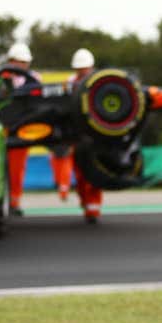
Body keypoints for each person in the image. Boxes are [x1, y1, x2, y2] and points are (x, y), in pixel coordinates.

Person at [63, 47, 102, 224]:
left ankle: (94, 208)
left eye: (85, 68)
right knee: (79, 174)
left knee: (95, 171)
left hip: (95, 136)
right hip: (76, 135)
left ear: (91, 67)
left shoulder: (100, 82)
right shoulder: (69, 83)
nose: (82, 71)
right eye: (79, 69)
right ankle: (86, 204)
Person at [2, 42, 40, 216]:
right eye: (19, 61)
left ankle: (14, 202)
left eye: (25, 62)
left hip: (21, 131)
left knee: (17, 169)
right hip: (1, 131)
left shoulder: (35, 79)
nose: (23, 65)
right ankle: (0, 203)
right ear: (11, 61)